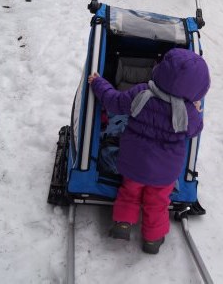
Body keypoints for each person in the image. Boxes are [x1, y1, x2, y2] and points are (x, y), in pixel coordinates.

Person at [87, 48, 210, 254]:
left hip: (133, 163)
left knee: (129, 192)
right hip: (164, 173)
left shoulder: (142, 93)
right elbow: (195, 131)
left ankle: (123, 224)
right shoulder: (188, 112)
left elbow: (114, 101)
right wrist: (196, 110)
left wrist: (98, 82)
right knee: (157, 204)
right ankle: (152, 240)